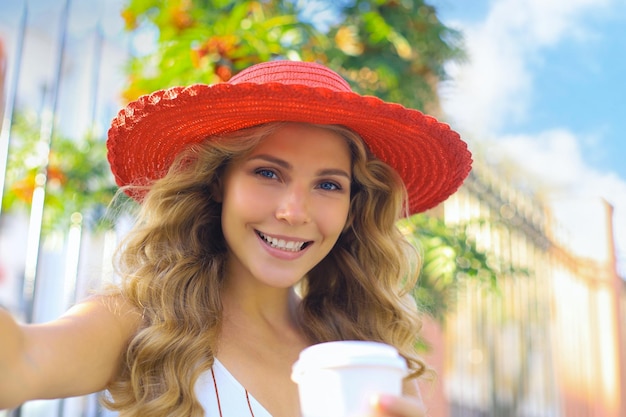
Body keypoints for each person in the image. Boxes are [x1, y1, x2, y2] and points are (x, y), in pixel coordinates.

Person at [0, 60, 471, 416]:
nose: (293, 212)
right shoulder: (139, 320)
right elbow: (18, 365)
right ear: (218, 181)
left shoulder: (369, 356)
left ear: (353, 208)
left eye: (328, 184)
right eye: (268, 173)